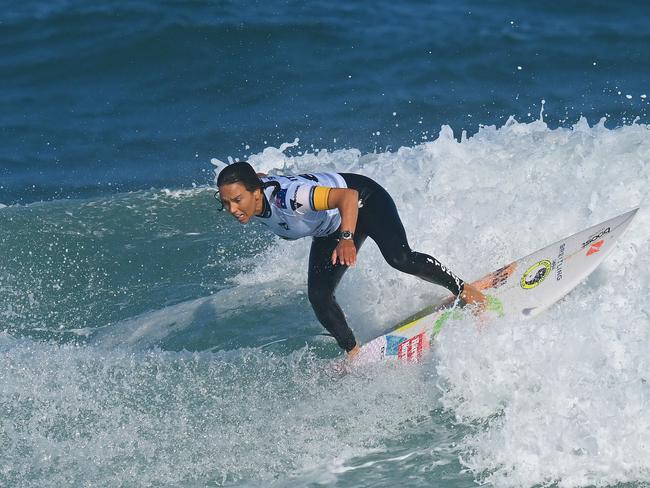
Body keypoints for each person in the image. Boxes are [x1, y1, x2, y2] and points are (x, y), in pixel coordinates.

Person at [216, 161, 486, 358]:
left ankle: (465, 289)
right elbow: (260, 176)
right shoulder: (257, 195)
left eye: (237, 200)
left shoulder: (291, 198)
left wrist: (347, 238)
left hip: (364, 202)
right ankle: (353, 352)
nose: (233, 209)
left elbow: (348, 196)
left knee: (400, 258)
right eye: (226, 203)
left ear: (255, 192)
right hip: (330, 227)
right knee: (319, 296)